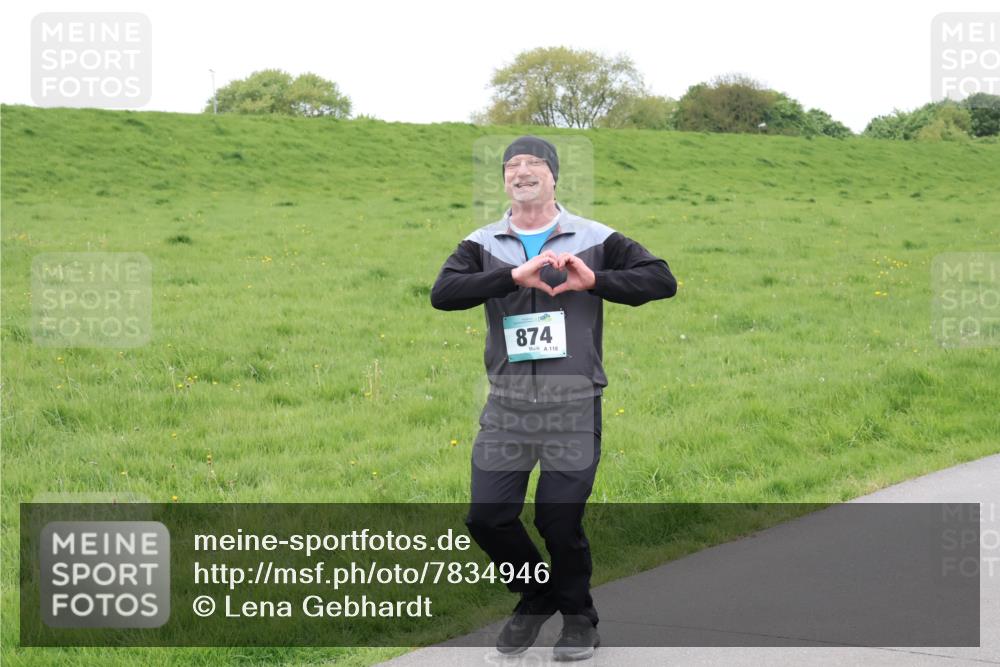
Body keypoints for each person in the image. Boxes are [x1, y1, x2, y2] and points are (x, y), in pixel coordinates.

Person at [430, 135, 677, 661]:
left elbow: (661, 279)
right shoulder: (481, 242)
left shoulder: (594, 236)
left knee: (558, 520)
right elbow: (443, 294)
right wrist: (509, 277)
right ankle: (536, 594)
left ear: (554, 176)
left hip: (573, 400)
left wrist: (595, 280)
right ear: (503, 180)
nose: (522, 170)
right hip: (508, 404)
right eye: (512, 165)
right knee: (486, 517)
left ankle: (578, 619)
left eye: (534, 163)